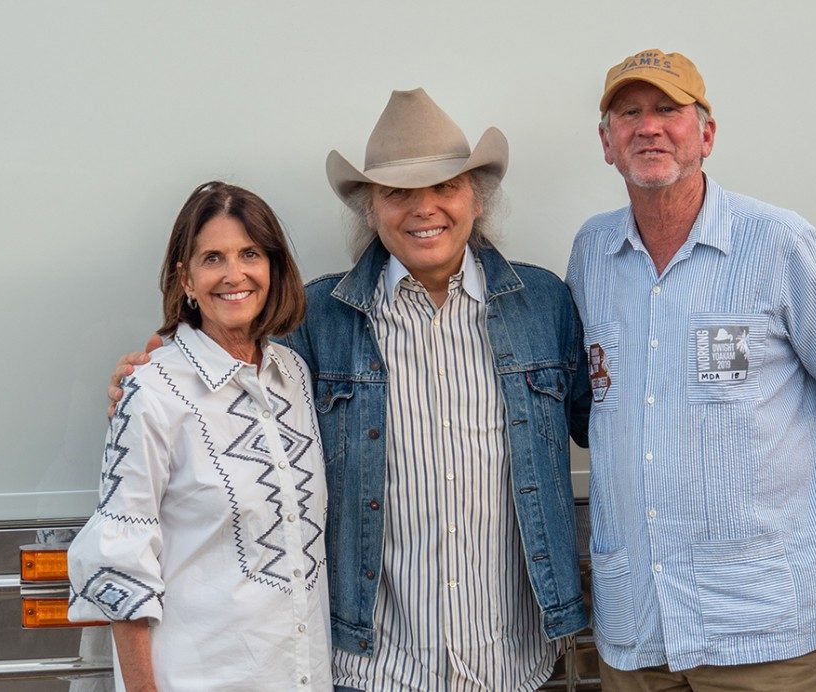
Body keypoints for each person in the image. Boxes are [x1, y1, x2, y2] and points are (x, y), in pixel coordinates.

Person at [108, 89, 590, 691]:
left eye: (445, 186)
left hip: (511, 661)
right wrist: (150, 379)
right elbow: (228, 390)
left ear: (477, 198)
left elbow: (601, 422)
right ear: (369, 210)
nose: (424, 208)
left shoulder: (543, 304)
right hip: (374, 665)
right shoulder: (317, 319)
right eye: (398, 192)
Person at [566, 49, 816, 690]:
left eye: (668, 109)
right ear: (607, 143)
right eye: (629, 113)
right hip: (637, 629)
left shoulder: (781, 243)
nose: (649, 127)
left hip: (769, 629)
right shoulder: (593, 251)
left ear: (706, 135)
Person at [71, 182, 330, 691]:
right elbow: (122, 561)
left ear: (273, 268)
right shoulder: (152, 389)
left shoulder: (294, 375)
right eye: (213, 258)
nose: (234, 274)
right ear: (186, 279)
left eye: (250, 254)